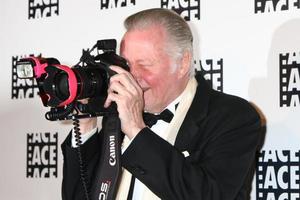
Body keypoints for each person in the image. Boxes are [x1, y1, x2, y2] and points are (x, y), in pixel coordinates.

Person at [61, 8, 261, 200]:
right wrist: (85, 124)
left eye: (145, 65)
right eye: (127, 65)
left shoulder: (233, 117)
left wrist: (136, 129)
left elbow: (206, 194)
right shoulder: (115, 115)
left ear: (182, 63)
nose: (132, 77)